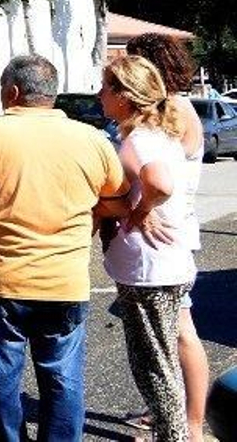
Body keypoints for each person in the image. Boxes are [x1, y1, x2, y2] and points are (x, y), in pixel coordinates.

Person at [0, 54, 129, 442]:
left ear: (13, 92)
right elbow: (119, 201)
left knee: (0, 381)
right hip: (65, 283)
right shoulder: (92, 140)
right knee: (63, 379)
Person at [97, 55, 197, 442]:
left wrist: (140, 211)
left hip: (150, 270)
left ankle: (172, 437)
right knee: (159, 361)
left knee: (155, 368)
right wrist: (137, 207)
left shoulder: (137, 141)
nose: (100, 95)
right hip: (163, 266)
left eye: (106, 88)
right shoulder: (158, 136)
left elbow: (159, 182)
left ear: (125, 96)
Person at [125, 33, 209, 440]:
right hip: (175, 230)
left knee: (179, 333)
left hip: (166, 233)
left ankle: (188, 424)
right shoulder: (175, 107)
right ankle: (171, 413)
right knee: (172, 333)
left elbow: (160, 176)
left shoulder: (173, 109)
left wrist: (140, 209)